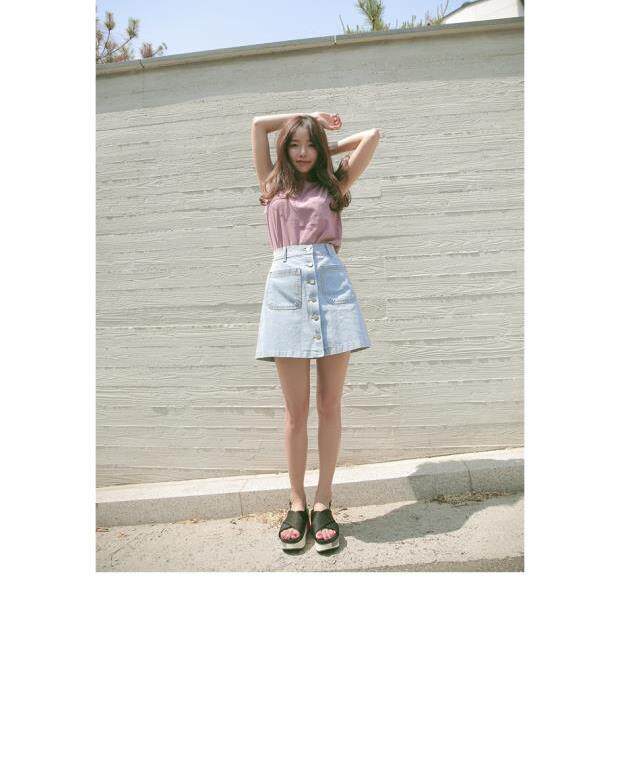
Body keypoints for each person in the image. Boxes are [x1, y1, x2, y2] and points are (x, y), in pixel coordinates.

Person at [251, 112, 381, 552]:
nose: (303, 152)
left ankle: (324, 500)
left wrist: (328, 146)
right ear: (284, 148)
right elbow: (258, 125)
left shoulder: (333, 184)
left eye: (310, 145)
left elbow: (372, 136)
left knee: (329, 404)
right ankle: (296, 502)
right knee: (295, 411)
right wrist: (300, 118)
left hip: (331, 288)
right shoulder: (271, 184)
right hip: (285, 289)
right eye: (295, 144)